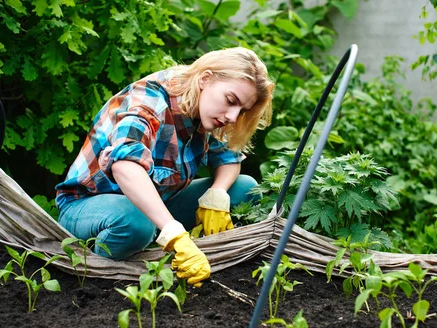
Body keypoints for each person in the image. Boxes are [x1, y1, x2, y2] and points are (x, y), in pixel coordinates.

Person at [55, 47, 274, 288]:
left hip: (158, 204)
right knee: (135, 222)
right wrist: (174, 233)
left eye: (241, 110)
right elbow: (125, 165)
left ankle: (162, 245)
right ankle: (99, 275)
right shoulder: (149, 99)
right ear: (205, 79)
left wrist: (217, 194)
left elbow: (229, 160)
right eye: (231, 101)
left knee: (245, 189)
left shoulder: (206, 108)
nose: (233, 116)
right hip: (88, 207)